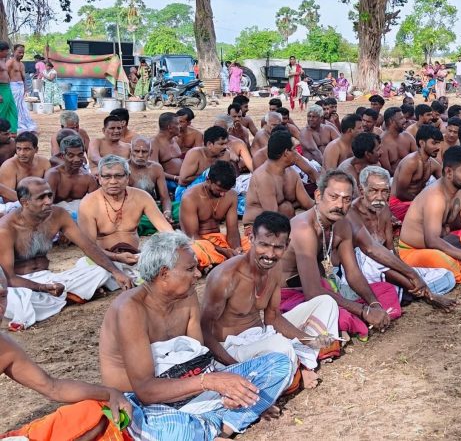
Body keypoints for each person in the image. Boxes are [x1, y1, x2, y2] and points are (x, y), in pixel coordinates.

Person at [98, 231, 293, 440]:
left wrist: (233, 389)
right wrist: (211, 382)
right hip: (151, 402)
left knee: (280, 363)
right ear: (164, 274)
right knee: (176, 430)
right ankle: (224, 420)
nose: (198, 274)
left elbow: (199, 358)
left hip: (194, 387)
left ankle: (221, 426)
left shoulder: (186, 293)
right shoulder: (130, 309)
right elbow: (146, 390)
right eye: (190, 269)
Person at [201, 211, 340, 392]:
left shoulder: (274, 268)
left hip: (264, 335)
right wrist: (236, 369)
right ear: (251, 238)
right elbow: (204, 330)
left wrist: (309, 340)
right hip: (233, 348)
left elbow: (273, 317)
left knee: (326, 302)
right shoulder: (225, 277)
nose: (270, 254)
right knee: (280, 346)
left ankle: (296, 363)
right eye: (264, 245)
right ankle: (297, 367)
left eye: (277, 247)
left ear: (287, 244)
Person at [0, 283, 132, 440]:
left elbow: (52, 387)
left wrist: (109, 393)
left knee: (94, 412)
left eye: (2, 296)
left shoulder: (5, 346)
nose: (0, 308)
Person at [278, 170, 400, 338]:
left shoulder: (341, 225)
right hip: (292, 296)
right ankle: (357, 321)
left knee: (385, 290)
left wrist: (374, 304)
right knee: (338, 315)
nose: (340, 205)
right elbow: (312, 292)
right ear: (318, 195)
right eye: (333, 197)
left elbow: (353, 273)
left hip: (326, 288)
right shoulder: (304, 229)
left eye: (347, 199)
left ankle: (367, 318)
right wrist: (363, 310)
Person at [1, 177, 132, 328]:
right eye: (41, 198)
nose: (48, 201)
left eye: (49, 195)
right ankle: (68, 297)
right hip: (22, 284)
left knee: (103, 270)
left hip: (52, 279)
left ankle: (61, 297)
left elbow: (87, 246)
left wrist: (116, 272)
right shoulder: (5, 229)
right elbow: (8, 278)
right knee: (17, 300)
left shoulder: (58, 215)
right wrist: (42, 288)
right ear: (25, 202)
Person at [344, 165, 457, 308]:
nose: (379, 197)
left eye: (384, 191)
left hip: (387, 269)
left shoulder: (383, 209)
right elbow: (371, 252)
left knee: (447, 277)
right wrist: (413, 276)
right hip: (362, 272)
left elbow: (390, 250)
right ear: (362, 191)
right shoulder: (351, 214)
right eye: (373, 191)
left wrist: (410, 273)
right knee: (369, 257)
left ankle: (408, 290)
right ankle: (427, 294)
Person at [397, 146, 461, 284]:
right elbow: (432, 241)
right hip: (415, 251)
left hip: (445, 243)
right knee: (447, 263)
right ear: (449, 172)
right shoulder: (435, 197)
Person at [79, 154, 173, 278]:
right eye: (107, 176)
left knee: (168, 264)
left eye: (118, 176)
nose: (113, 181)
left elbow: (167, 231)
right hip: (103, 261)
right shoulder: (88, 204)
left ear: (128, 177)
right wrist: (116, 257)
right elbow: (89, 248)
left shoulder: (141, 197)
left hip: (136, 258)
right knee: (90, 268)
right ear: (99, 179)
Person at [244, 131, 314, 225]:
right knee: (286, 208)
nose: (297, 153)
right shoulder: (264, 177)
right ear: (286, 153)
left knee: (286, 208)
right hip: (258, 226)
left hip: (280, 223)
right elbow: (271, 217)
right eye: (294, 149)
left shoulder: (291, 173)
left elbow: (308, 204)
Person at [389, 125, 443, 222]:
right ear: (422, 143)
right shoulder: (411, 162)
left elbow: (446, 183)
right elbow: (400, 193)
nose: (438, 147)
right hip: (398, 204)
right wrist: (423, 201)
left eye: (439, 143)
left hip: (416, 204)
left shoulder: (434, 164)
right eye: (434, 143)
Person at [129, 137, 176, 235]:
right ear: (130, 151)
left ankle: (162, 222)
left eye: (144, 152)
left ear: (150, 153)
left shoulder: (156, 168)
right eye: (136, 151)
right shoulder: (123, 168)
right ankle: (161, 224)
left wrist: (167, 212)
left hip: (153, 208)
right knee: (131, 222)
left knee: (181, 208)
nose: (140, 155)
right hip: (133, 211)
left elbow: (165, 197)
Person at [45, 135, 97, 218]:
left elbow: (96, 203)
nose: (77, 159)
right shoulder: (53, 175)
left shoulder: (88, 178)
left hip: (81, 217)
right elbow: (46, 203)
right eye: (71, 155)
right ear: (62, 156)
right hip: (56, 216)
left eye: (80, 155)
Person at [150, 112, 184, 192]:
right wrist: (175, 178)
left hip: (181, 178)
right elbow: (154, 170)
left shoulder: (175, 139)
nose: (180, 126)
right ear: (170, 128)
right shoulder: (154, 143)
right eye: (178, 124)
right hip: (168, 182)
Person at [7, 44, 36, 133]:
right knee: (15, 106)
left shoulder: (22, 64)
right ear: (14, 51)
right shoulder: (10, 62)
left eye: (23, 53)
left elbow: (24, 78)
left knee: (22, 107)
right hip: (13, 86)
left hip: (21, 87)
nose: (21, 54)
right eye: (19, 52)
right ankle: (14, 125)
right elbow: (4, 75)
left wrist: (26, 89)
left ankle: (24, 124)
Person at [380, 107, 418, 175]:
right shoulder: (382, 142)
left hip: (413, 175)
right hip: (392, 178)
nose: (405, 120)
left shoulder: (408, 136)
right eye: (401, 118)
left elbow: (418, 158)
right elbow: (387, 170)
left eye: (404, 117)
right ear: (391, 121)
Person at [0, 42, 19, 134]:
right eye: (6, 51)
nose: (7, 52)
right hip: (1, 89)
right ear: (0, 51)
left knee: (12, 110)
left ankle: (12, 131)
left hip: (7, 88)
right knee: (2, 111)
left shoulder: (3, 60)